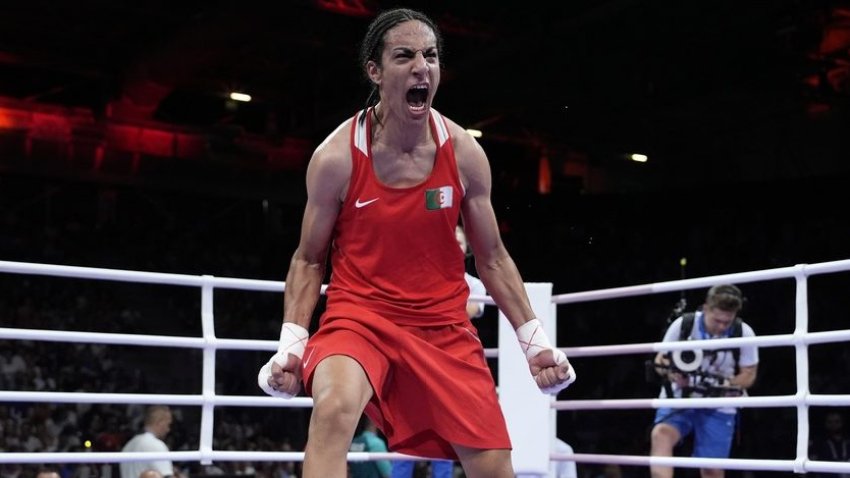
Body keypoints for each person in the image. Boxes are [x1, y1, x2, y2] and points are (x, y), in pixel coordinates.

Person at [256, 7, 576, 478]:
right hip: (359, 316)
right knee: (334, 409)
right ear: (375, 71)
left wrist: (534, 342)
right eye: (404, 56)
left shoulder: (464, 153)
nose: (421, 66)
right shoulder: (337, 157)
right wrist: (291, 343)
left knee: (493, 464)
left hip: (443, 325)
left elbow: (492, 257)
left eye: (430, 56)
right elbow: (308, 260)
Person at [390, 225, 484, 478]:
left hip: (452, 358)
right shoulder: (419, 275)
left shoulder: (474, 285)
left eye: (460, 241)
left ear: (467, 249)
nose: (455, 244)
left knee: (446, 428)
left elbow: (468, 312)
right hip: (416, 354)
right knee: (407, 425)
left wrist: (430, 312)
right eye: (450, 239)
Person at [649, 284, 759, 478]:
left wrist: (726, 385)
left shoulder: (743, 332)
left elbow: (749, 374)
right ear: (705, 308)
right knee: (661, 435)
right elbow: (660, 360)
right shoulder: (684, 324)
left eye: (727, 321)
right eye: (717, 320)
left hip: (719, 403)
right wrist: (672, 372)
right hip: (680, 397)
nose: (722, 326)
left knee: (711, 469)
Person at [119, 405, 179, 478]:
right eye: (168, 424)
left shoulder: (128, 445)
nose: (168, 429)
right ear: (160, 422)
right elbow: (167, 476)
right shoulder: (156, 445)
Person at [809, 411, 850, 478]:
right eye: (830, 422)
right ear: (825, 423)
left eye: (837, 422)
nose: (833, 425)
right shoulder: (818, 442)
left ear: (842, 423)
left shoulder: (847, 441)